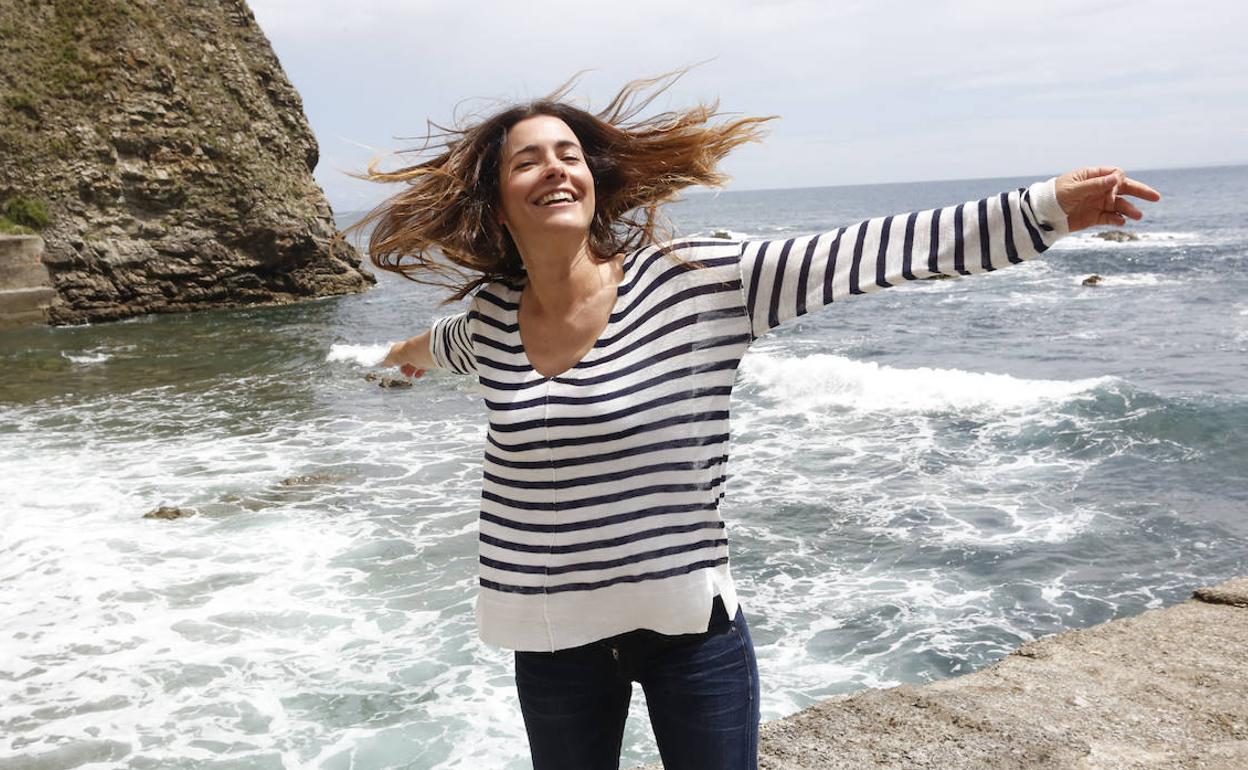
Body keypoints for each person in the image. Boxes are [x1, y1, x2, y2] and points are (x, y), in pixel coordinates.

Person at [350, 73, 1160, 770]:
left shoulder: (700, 281)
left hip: (689, 633)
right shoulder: (491, 320)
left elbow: (868, 251)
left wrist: (1043, 208)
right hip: (551, 636)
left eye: (568, 154)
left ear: (592, 179)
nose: (554, 169)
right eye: (527, 160)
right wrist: (401, 356)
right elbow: (440, 344)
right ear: (497, 200)